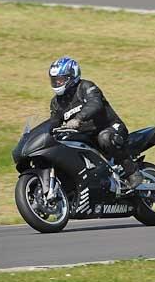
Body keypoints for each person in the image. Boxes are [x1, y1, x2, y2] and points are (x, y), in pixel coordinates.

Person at [47, 56, 142, 188]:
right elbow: (54, 120)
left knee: (105, 138)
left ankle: (133, 172)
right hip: (87, 137)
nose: (57, 83)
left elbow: (95, 104)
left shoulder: (86, 87)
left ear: (72, 76)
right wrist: (47, 132)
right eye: (54, 80)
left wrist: (78, 119)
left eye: (60, 80)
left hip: (110, 127)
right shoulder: (56, 102)